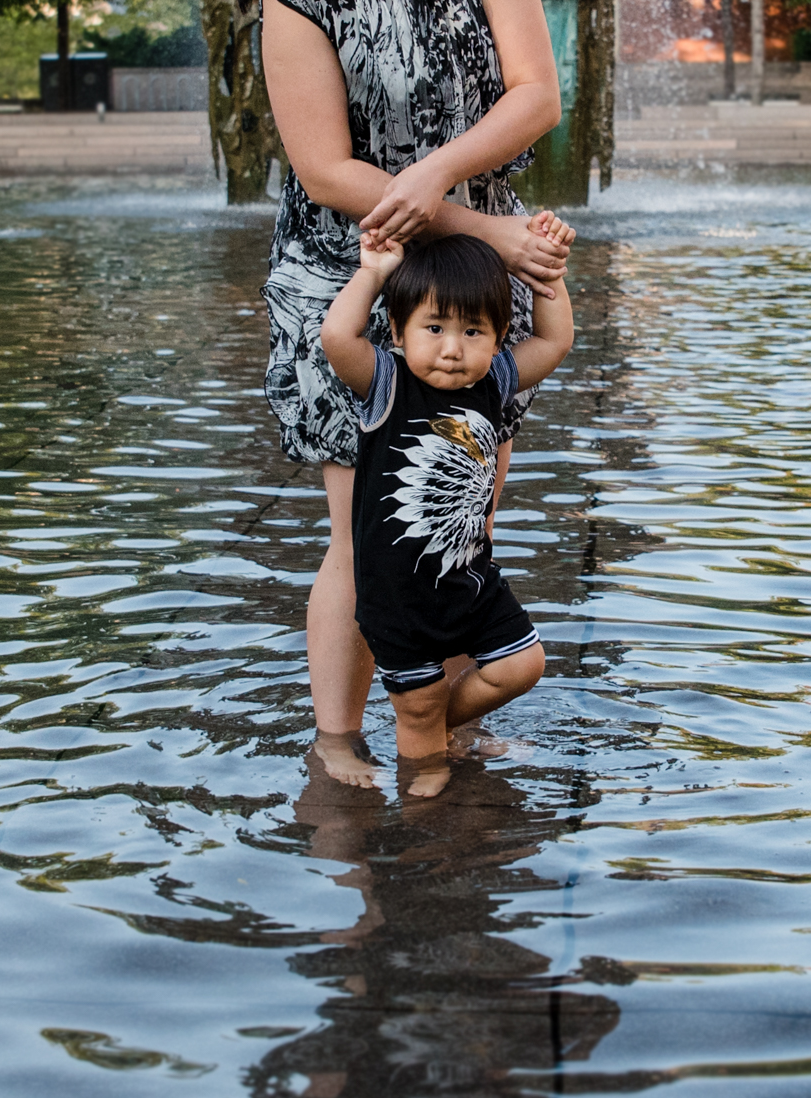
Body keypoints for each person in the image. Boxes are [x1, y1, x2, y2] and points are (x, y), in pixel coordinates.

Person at [261, 0, 572, 785]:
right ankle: (336, 742)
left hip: (474, 283)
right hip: (355, 261)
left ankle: (439, 727)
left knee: (465, 516)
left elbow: (538, 96)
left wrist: (437, 180)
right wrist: (473, 222)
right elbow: (325, 168)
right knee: (358, 535)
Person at [321, 229, 574, 797]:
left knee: (522, 665)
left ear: (499, 337)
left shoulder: (495, 382)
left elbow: (556, 343)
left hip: (471, 582)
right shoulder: (388, 383)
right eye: (433, 328)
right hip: (398, 596)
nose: (452, 348)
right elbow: (337, 337)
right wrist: (373, 273)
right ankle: (424, 792)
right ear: (398, 330)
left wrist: (551, 276)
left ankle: (432, 732)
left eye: (472, 331)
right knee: (424, 735)